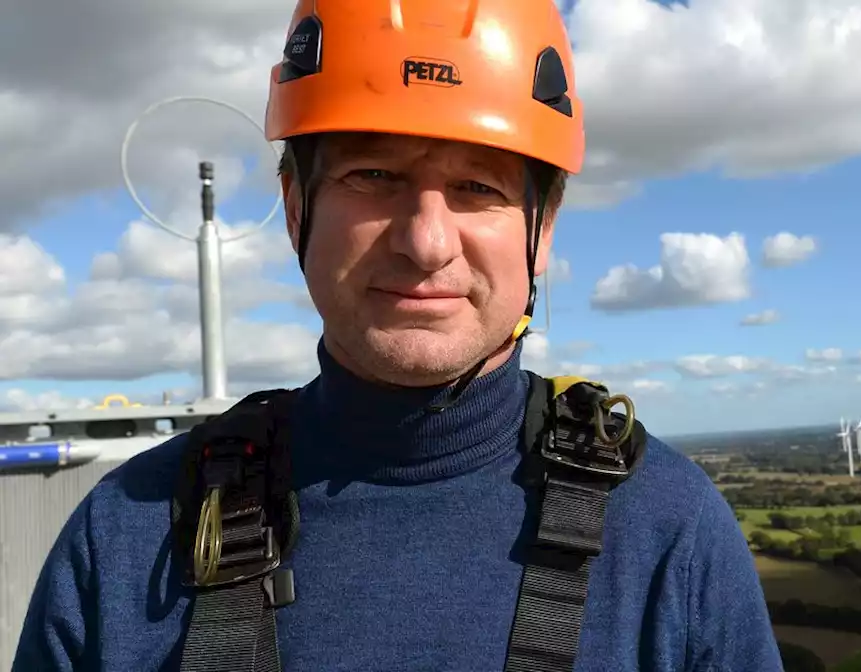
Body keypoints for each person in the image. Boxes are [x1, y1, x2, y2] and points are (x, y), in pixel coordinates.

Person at [12, 1, 784, 670]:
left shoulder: (667, 533)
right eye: (372, 177)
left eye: (478, 187)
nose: (425, 242)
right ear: (293, 207)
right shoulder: (126, 535)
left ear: (541, 231)